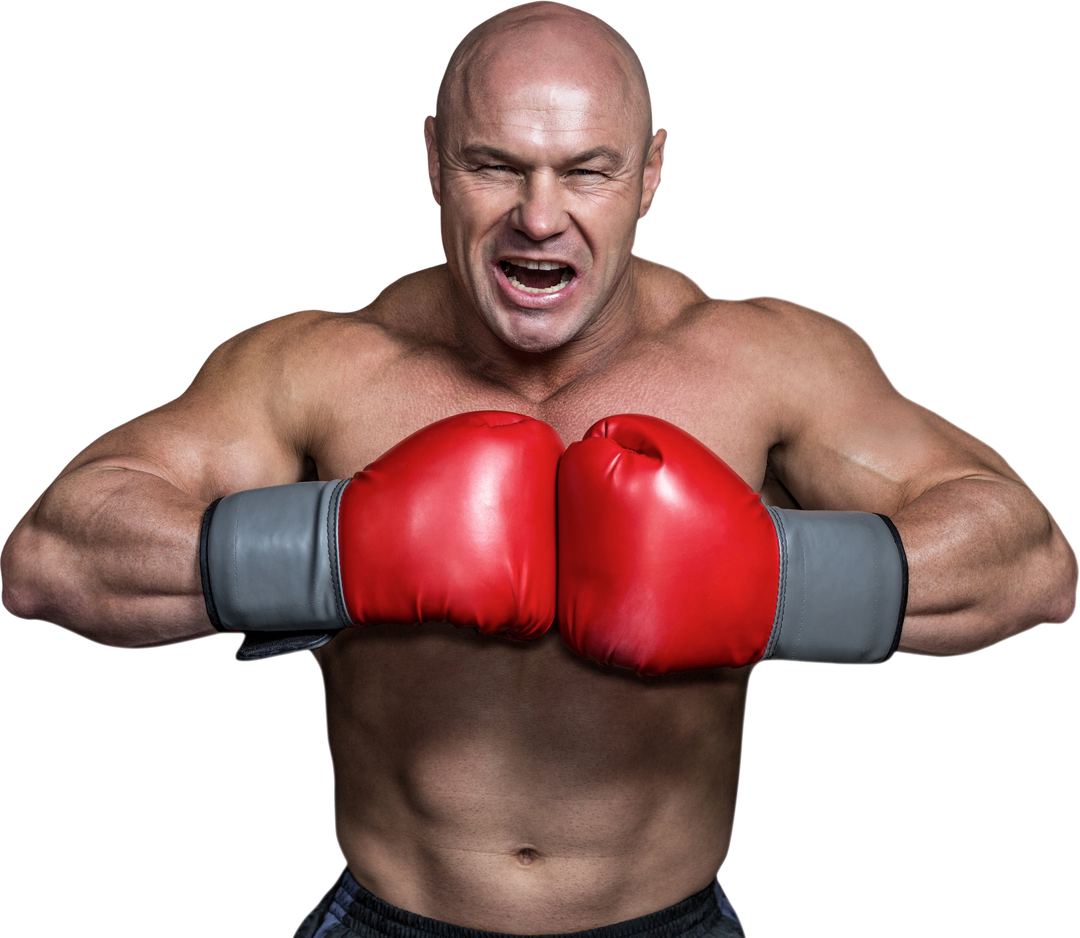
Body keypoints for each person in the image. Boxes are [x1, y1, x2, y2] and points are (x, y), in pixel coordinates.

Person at [2, 2, 1075, 935]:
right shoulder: (320, 366)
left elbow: (1029, 564)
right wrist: (343, 547)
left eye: (588, 170)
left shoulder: (764, 360)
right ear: (431, 159)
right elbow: (52, 558)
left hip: (678, 917)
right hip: (383, 914)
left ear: (652, 171)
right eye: (495, 165)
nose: (540, 215)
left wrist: (767, 571)